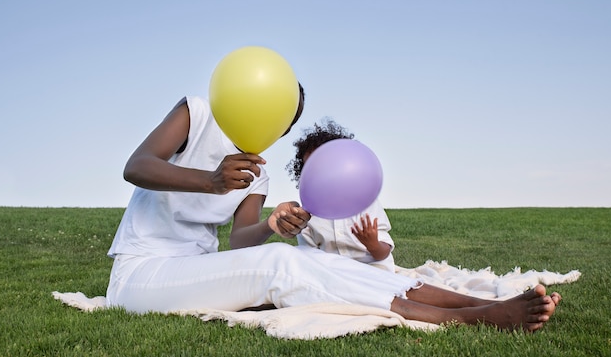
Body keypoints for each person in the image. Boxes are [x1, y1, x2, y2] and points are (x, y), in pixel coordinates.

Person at [105, 84, 560, 333]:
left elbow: (240, 241)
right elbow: (136, 166)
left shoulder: (257, 171)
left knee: (303, 256)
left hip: (195, 274)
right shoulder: (198, 112)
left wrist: (271, 222)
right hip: (140, 275)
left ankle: (483, 302)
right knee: (284, 263)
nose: (276, 126)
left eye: (285, 121)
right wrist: (210, 180)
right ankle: (473, 319)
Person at [287, 119, 396, 272]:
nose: (319, 171)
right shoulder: (307, 215)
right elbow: (310, 262)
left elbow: (382, 254)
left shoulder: (366, 203)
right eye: (311, 167)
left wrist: (373, 244)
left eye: (325, 163)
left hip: (374, 271)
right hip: (334, 277)